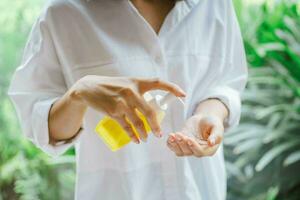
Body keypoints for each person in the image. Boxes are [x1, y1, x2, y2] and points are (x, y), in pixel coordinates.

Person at [8, 0, 248, 199]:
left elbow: (227, 80)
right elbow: (40, 125)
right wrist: (79, 94)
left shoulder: (214, 5)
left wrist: (211, 113)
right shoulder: (64, 12)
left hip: (202, 190)